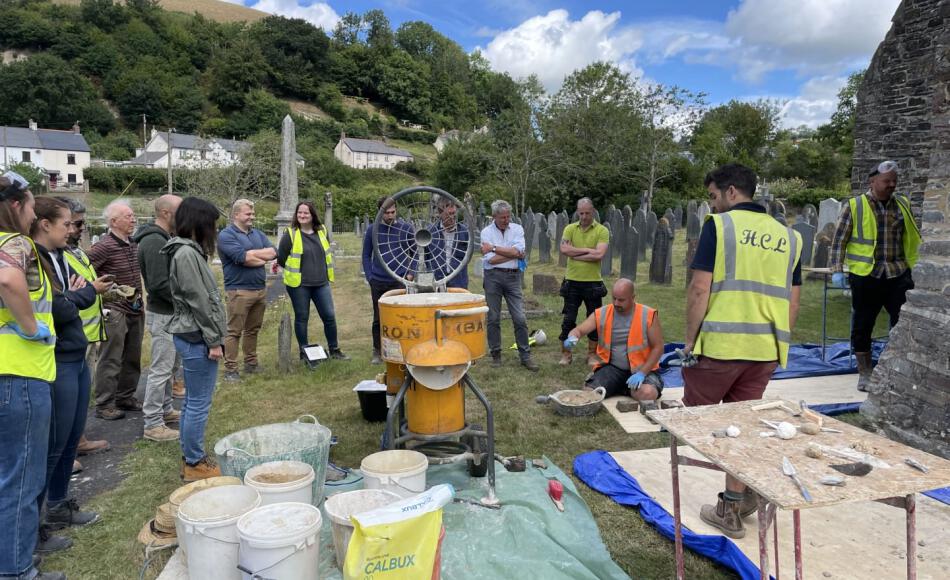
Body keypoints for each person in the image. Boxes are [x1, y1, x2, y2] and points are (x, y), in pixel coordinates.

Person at [683, 163, 802, 539]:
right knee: (743, 429)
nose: (712, 205)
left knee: (697, 425)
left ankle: (735, 503)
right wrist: (778, 342)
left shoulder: (719, 227)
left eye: (714, 196)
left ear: (731, 191)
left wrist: (690, 340)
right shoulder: (790, 238)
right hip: (764, 350)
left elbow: (700, 289)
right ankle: (734, 504)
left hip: (720, 346)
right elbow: (793, 301)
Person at [31, 197, 108, 554]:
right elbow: (59, 307)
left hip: (74, 353)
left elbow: (67, 302)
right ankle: (35, 524)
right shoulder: (34, 258)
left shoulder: (61, 256)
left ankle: (60, 505)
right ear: (44, 223)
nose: (73, 230)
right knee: (54, 444)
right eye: (67, 224)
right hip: (57, 358)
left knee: (72, 435)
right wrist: (86, 292)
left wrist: (76, 295)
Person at [0, 172, 66, 580]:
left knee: (9, 473)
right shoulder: (15, 243)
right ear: (15, 207)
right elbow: (7, 278)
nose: (32, 213)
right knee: (22, 478)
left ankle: (13, 553)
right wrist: (28, 326)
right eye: (29, 204)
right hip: (20, 373)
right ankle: (16, 568)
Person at [830, 160, 920, 391]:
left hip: (897, 273)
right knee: (863, 325)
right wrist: (837, 270)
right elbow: (839, 240)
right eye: (886, 181)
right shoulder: (855, 206)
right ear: (872, 181)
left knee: (902, 322)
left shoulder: (902, 204)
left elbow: (911, 236)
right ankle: (865, 373)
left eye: (894, 181)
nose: (892, 185)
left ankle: (895, 366)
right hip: (866, 275)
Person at [162, 197, 228, 482]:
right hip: (196, 336)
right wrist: (214, 339)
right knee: (199, 402)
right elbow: (199, 300)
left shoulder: (189, 251)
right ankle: (194, 462)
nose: (213, 230)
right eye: (211, 224)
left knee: (192, 401)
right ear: (199, 223)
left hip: (195, 334)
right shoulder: (186, 254)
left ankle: (191, 455)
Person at [56, 197, 110, 459]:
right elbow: (64, 297)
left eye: (79, 224)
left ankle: (79, 439)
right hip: (71, 335)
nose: (77, 229)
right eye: (73, 224)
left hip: (87, 332)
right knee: (65, 401)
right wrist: (92, 289)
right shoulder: (53, 256)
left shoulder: (75, 251)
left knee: (80, 396)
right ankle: (65, 451)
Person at [563, 278, 664, 410]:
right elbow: (580, 330)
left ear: (633, 297)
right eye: (614, 298)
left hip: (642, 369)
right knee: (589, 393)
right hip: (613, 369)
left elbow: (658, 347)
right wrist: (572, 337)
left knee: (648, 394)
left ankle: (623, 388)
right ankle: (624, 388)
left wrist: (642, 373)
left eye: (621, 300)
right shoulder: (602, 313)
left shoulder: (648, 315)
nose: (616, 303)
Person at [89, 199, 144, 420]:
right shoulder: (103, 246)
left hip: (136, 308)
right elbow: (84, 272)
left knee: (133, 355)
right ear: (114, 221)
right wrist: (106, 293)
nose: (133, 219)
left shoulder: (132, 243)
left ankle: (125, 397)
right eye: (128, 216)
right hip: (115, 310)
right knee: (111, 358)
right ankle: (104, 404)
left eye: (132, 215)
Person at [134, 194, 183, 442]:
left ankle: (165, 409)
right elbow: (158, 284)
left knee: (171, 366)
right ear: (166, 213)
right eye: (179, 211)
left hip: (170, 313)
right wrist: (186, 300)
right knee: (160, 369)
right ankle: (152, 423)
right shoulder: (153, 241)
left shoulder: (164, 238)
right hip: (164, 313)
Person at [277, 201, 347, 367]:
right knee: (302, 318)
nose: (302, 216)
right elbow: (281, 258)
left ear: (312, 215)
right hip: (299, 285)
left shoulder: (322, 231)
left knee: (329, 316)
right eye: (299, 213)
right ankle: (304, 352)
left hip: (321, 283)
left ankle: (334, 350)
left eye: (305, 213)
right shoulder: (291, 234)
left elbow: (327, 251)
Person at [217, 199, 275, 382]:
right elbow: (242, 257)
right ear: (236, 215)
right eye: (248, 214)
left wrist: (253, 255)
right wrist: (258, 256)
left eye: (252, 213)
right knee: (234, 331)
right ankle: (231, 370)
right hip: (239, 291)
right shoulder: (226, 235)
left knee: (253, 329)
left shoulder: (257, 234)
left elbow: (274, 251)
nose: (252, 216)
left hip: (259, 289)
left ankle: (251, 364)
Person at [480, 200, 538, 371]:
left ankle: (525, 355)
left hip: (513, 278)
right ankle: (496, 354)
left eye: (508, 216)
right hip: (493, 277)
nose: (506, 220)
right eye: (502, 217)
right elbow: (489, 260)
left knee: (519, 317)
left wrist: (495, 248)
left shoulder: (517, 229)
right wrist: (513, 254)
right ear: (495, 216)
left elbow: (518, 252)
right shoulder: (486, 232)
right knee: (493, 318)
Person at [558, 198, 609, 367]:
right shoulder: (570, 228)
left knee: (593, 320)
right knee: (568, 319)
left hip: (593, 283)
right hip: (572, 282)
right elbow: (564, 249)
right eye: (581, 213)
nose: (584, 216)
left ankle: (591, 354)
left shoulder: (602, 230)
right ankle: (566, 353)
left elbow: (599, 255)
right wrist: (588, 250)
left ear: (593, 211)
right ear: (577, 211)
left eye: (587, 213)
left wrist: (575, 253)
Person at [362, 197, 413, 364]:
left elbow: (414, 252)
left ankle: (401, 348)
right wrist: (370, 276)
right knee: (379, 318)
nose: (390, 216)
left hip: (398, 280)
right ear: (380, 212)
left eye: (393, 212)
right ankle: (377, 350)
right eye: (386, 213)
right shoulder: (372, 230)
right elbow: (366, 255)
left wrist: (410, 273)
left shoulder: (405, 228)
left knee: (400, 317)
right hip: (378, 280)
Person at [426, 197, 469, 289]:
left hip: (459, 281)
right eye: (449, 214)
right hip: (437, 281)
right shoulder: (430, 232)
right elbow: (427, 256)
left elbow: (468, 255)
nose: (452, 217)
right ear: (440, 213)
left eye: (454, 213)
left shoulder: (464, 231)